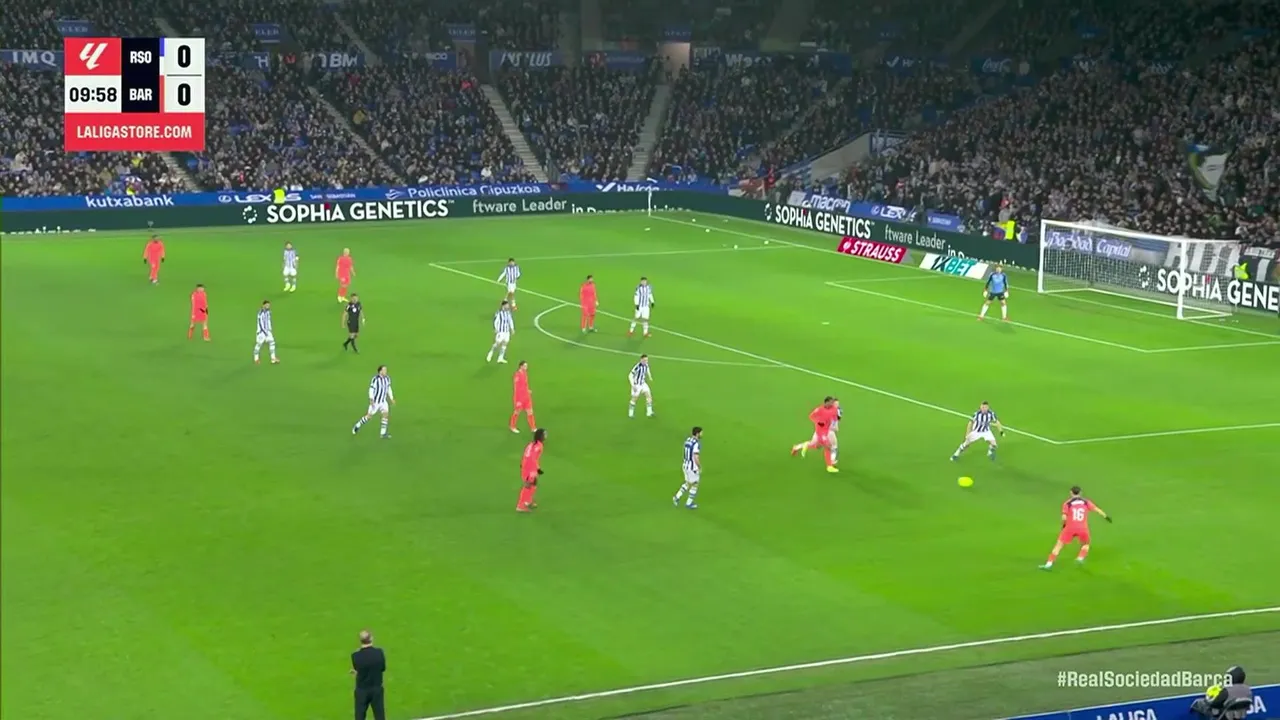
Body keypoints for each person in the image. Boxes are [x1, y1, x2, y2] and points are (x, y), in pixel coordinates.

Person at [1041, 486, 1111, 569]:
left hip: (1070, 528)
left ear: (1071, 492)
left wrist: (1063, 525)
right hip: (1083, 528)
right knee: (1086, 544)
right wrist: (1106, 517)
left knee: (1058, 546)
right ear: (1080, 492)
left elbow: (1064, 517)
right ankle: (1080, 558)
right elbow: (1097, 509)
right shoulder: (1086, 502)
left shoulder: (1067, 503)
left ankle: (1048, 564)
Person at [791, 397, 839, 473]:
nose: (832, 404)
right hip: (820, 431)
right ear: (826, 402)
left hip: (826, 431)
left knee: (818, 446)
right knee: (828, 446)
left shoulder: (834, 409)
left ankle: (797, 447)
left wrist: (835, 425)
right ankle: (829, 466)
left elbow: (834, 418)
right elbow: (811, 416)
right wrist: (818, 422)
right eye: (830, 402)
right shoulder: (819, 409)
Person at [350, 630, 387, 720]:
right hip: (376, 689)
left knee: (359, 716)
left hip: (362, 690)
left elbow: (358, 668)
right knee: (379, 716)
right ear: (371, 638)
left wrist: (355, 672)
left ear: (360, 641)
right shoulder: (379, 653)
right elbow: (382, 668)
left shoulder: (355, 655)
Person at [353, 365, 394, 439]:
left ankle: (383, 433)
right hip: (375, 402)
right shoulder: (375, 379)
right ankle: (357, 425)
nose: (386, 371)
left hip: (383, 401)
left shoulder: (387, 378)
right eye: (384, 370)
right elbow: (371, 389)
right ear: (380, 371)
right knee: (368, 416)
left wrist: (391, 398)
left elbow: (388, 388)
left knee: (385, 415)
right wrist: (371, 399)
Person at [517, 427, 546, 512]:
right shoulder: (538, 446)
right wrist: (534, 469)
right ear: (541, 436)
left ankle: (528, 500)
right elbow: (532, 458)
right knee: (528, 485)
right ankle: (520, 506)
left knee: (534, 483)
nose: (546, 436)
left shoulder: (531, 444)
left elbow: (528, 455)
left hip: (527, 466)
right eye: (544, 434)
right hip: (529, 467)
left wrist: (537, 468)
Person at [673, 426, 702, 509]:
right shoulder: (696, 443)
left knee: (688, 483)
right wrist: (699, 466)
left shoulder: (688, 440)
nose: (702, 434)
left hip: (685, 465)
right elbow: (696, 456)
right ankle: (686, 502)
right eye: (701, 433)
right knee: (694, 484)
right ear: (697, 434)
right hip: (692, 467)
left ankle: (678, 497)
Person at [510, 361, 536, 433]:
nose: (526, 367)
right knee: (517, 412)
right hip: (520, 398)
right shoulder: (517, 375)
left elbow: (524, 385)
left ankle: (533, 428)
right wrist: (518, 400)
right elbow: (517, 388)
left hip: (526, 397)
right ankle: (512, 426)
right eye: (525, 366)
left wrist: (527, 390)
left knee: (530, 412)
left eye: (526, 366)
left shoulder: (525, 373)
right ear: (521, 366)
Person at [254, 300, 278, 365]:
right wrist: (265, 332)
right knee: (259, 344)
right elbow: (261, 324)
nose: (268, 306)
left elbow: (268, 321)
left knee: (272, 343)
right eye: (267, 305)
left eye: (269, 305)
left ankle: (273, 358)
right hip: (261, 332)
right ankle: (256, 358)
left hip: (268, 331)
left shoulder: (268, 312)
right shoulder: (260, 313)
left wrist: (270, 330)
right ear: (263, 305)